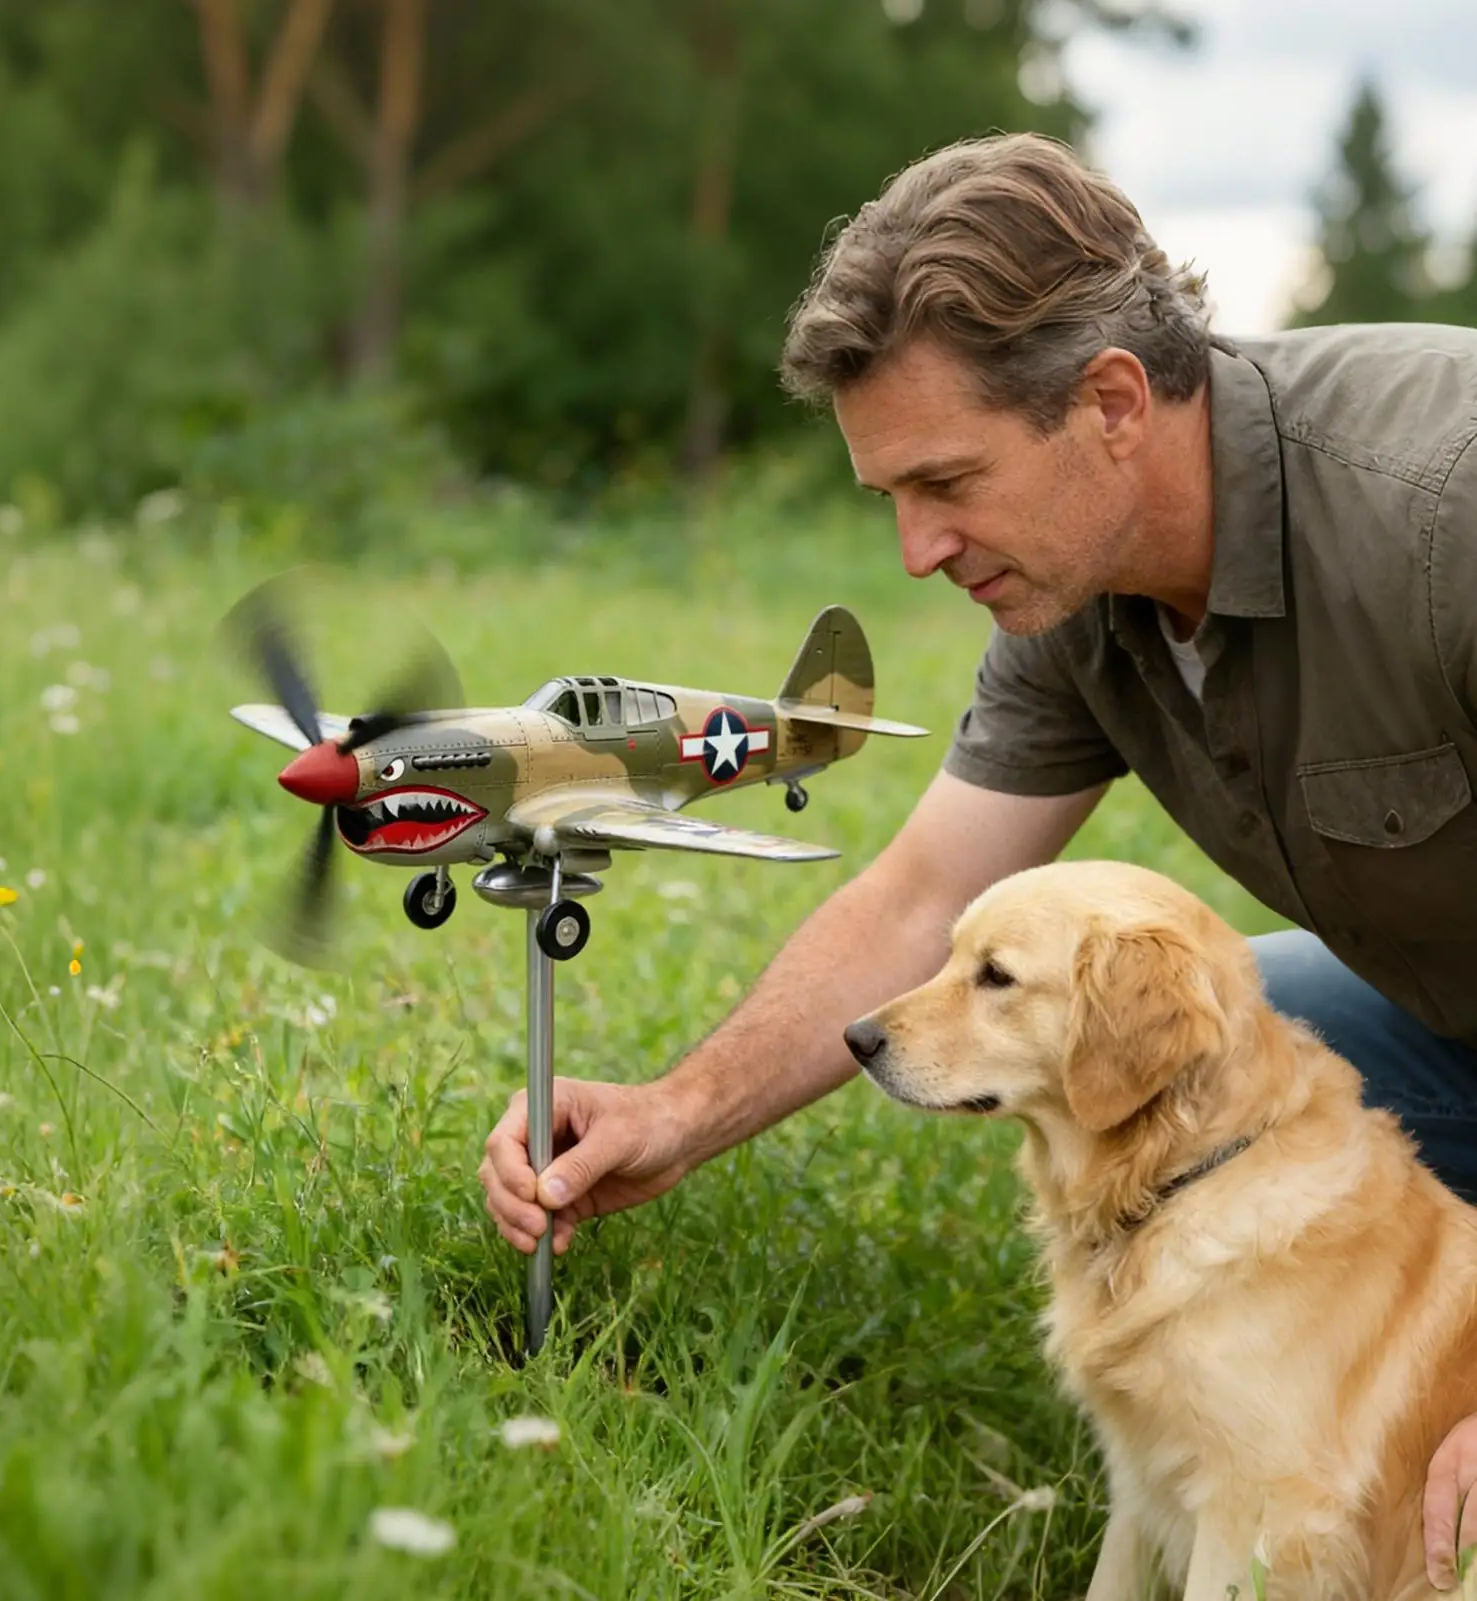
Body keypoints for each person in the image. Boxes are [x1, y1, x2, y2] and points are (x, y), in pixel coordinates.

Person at [477, 131, 1477, 1589]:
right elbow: (928, 894)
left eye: (946, 480)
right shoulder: (1073, 586)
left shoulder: (1442, 510)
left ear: (1113, 402)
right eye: (888, 492)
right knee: (1227, 1031)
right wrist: (675, 1115)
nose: (916, 549)